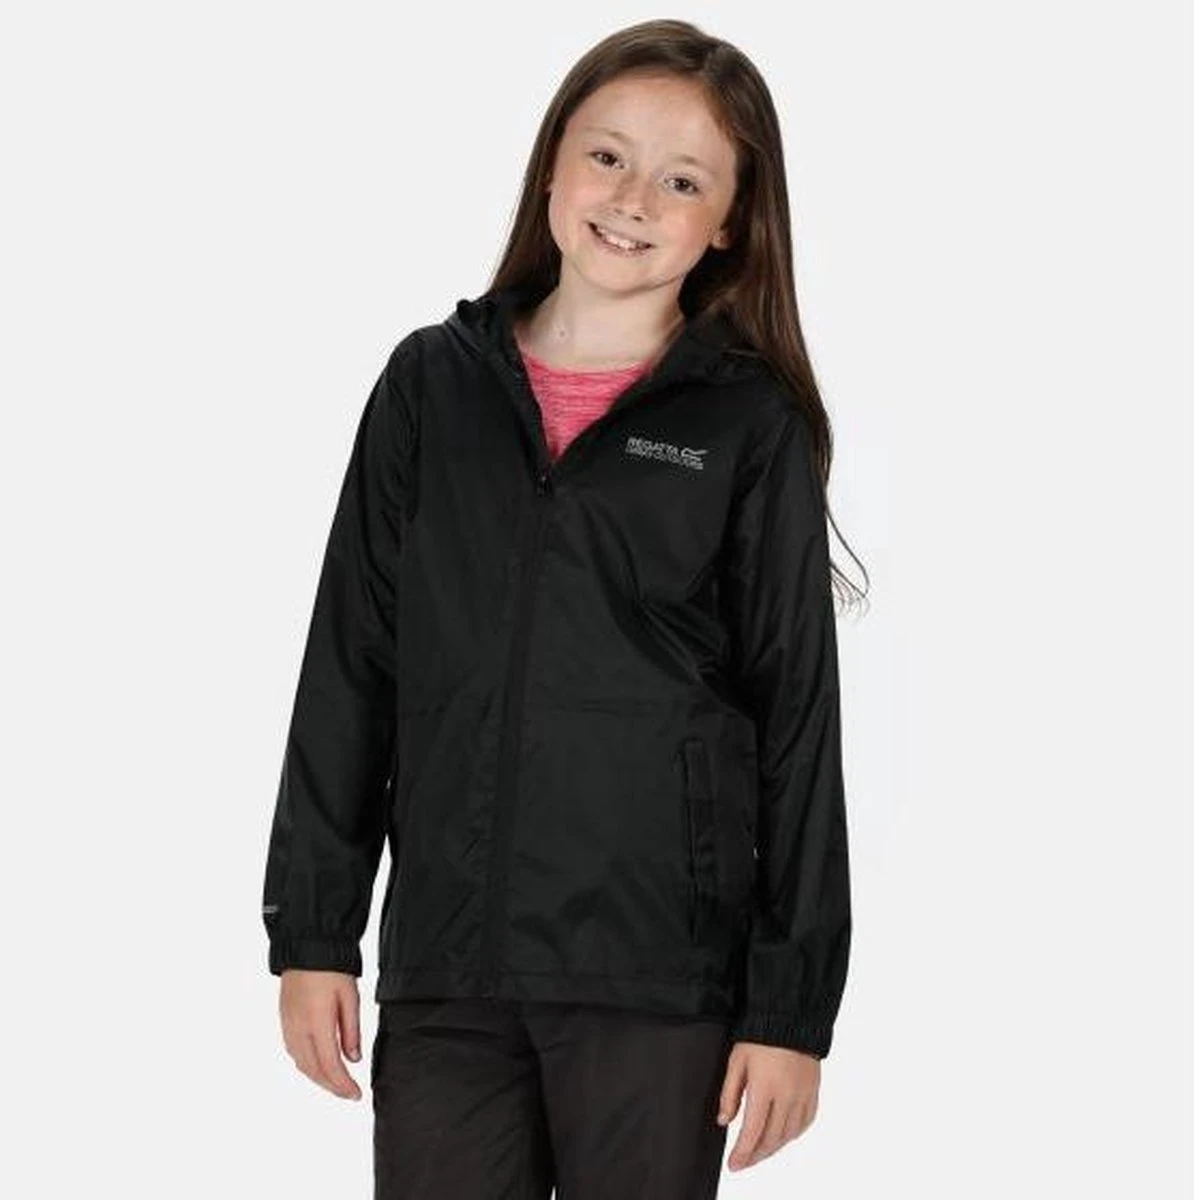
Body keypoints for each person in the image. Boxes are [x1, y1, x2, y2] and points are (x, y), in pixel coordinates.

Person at [261, 17, 864, 1199]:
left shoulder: (745, 426)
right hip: (449, 974)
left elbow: (797, 719)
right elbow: (351, 664)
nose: (632, 199)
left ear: (728, 223)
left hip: (655, 981)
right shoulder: (430, 386)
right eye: (608, 156)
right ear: (552, 164)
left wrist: (789, 1009)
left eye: (682, 180)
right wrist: (315, 932)